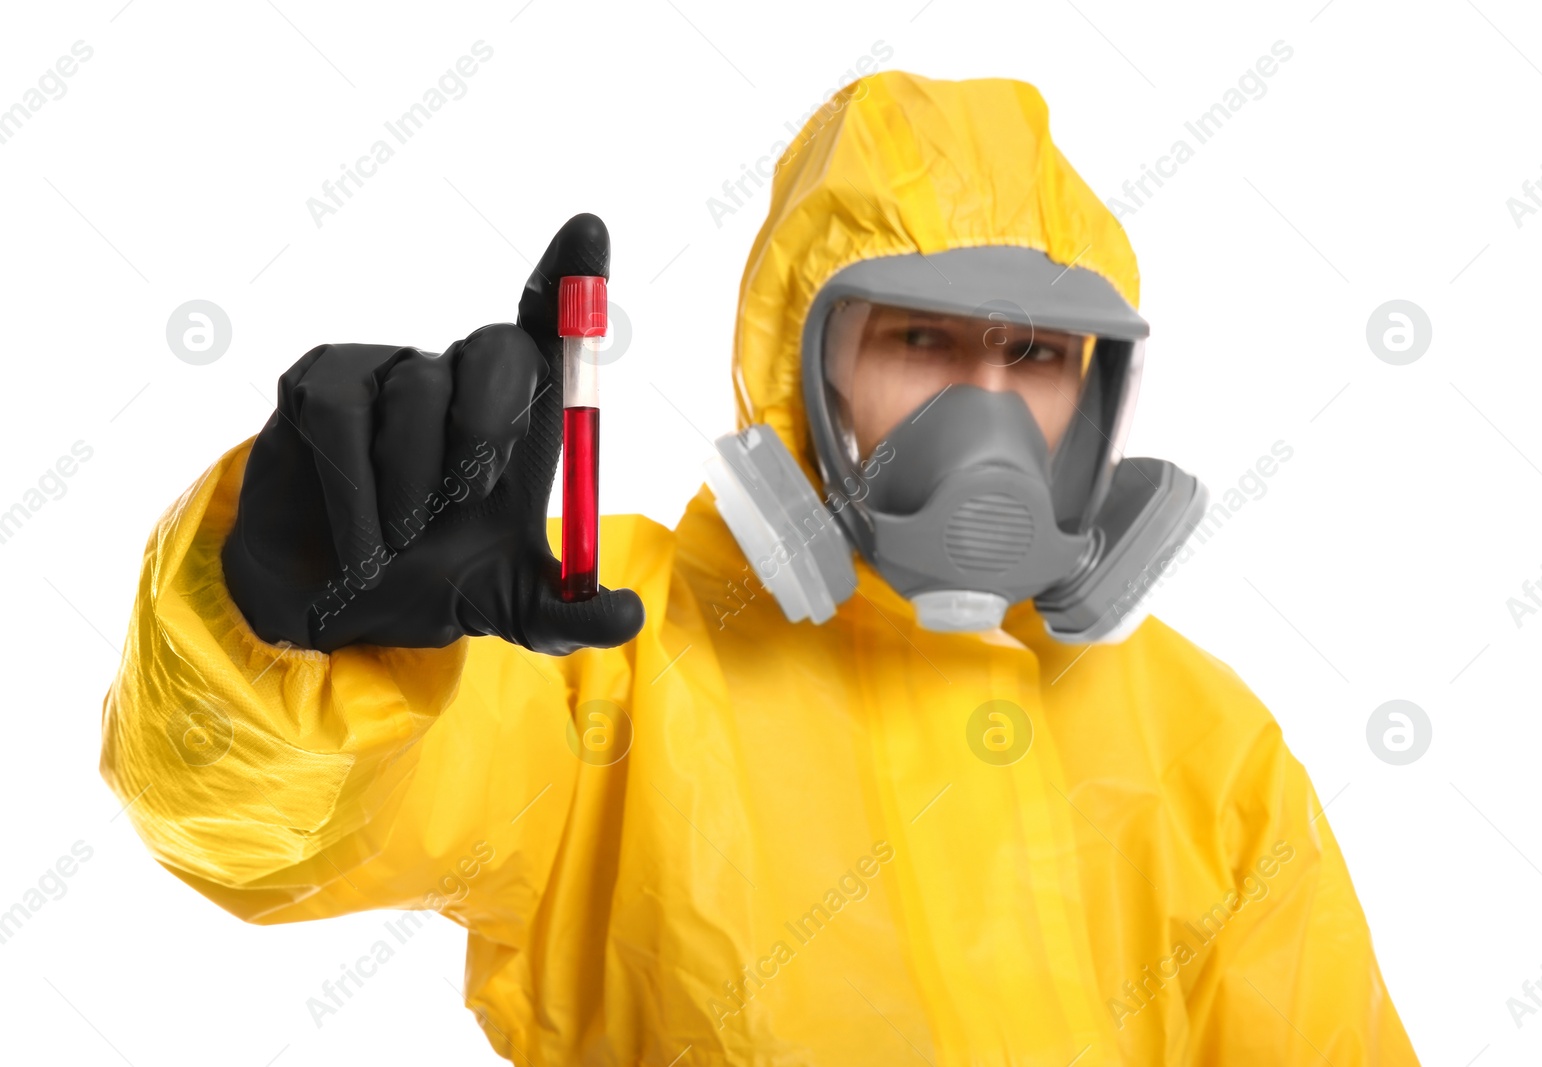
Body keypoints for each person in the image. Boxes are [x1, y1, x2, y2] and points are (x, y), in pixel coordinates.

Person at [100, 70, 1418, 1065]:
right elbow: (285, 837)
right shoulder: (602, 646)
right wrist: (289, 622)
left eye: (1034, 359)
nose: (985, 416)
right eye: (918, 340)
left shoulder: (1205, 745)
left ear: (1098, 389)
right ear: (802, 366)